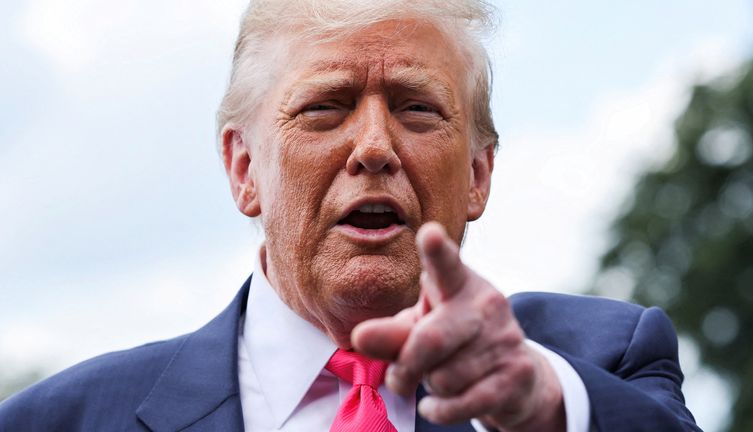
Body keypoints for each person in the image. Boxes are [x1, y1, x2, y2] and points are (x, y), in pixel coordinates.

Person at [0, 1, 700, 431]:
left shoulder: (600, 364)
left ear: (479, 175)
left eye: (416, 108)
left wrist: (543, 407)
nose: (373, 147)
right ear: (245, 169)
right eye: (324, 107)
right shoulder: (55, 420)